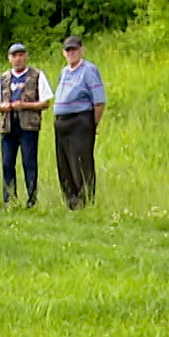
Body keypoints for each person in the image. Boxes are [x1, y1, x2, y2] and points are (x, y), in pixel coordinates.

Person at [0, 43, 52, 208]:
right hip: (8, 126)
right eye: (15, 55)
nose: (18, 58)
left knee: (29, 163)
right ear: (9, 58)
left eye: (21, 55)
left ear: (26, 56)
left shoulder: (37, 75)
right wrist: (6, 107)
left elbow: (45, 103)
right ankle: (9, 199)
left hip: (28, 127)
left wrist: (25, 105)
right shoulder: (3, 78)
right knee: (7, 163)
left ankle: (32, 199)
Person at [52, 35, 106, 209]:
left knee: (80, 163)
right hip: (62, 122)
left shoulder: (88, 70)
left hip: (80, 121)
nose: (71, 53)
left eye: (74, 50)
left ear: (82, 50)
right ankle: (71, 203)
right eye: (68, 50)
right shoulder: (64, 72)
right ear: (63, 53)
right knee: (64, 164)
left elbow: (99, 101)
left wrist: (92, 125)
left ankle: (86, 202)